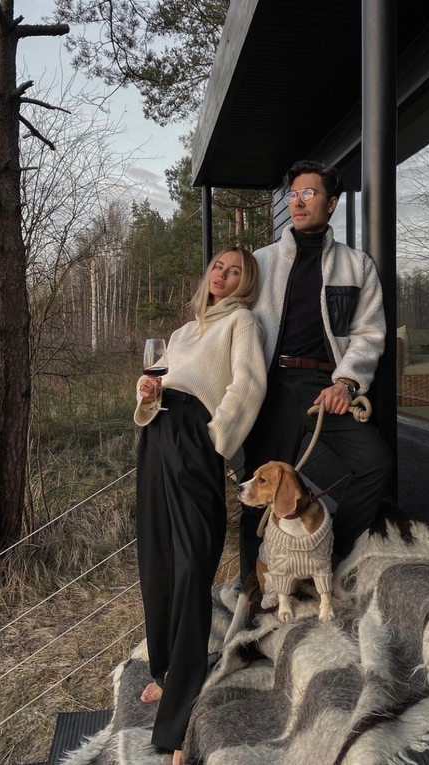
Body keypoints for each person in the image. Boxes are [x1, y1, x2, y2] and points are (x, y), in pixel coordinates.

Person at [134, 246, 266, 765]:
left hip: (194, 437)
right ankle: (167, 672)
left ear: (245, 283)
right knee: (158, 559)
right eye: (218, 267)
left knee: (191, 566)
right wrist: (146, 393)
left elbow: (248, 385)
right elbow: (158, 386)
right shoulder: (183, 332)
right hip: (157, 436)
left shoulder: (242, 323)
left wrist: (214, 440)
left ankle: (178, 722)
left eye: (235, 271)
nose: (223, 275)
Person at [239, 160, 394, 583]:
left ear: (332, 203)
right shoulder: (262, 262)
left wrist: (346, 382)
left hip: (325, 388)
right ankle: (254, 586)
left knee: (375, 464)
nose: (298, 201)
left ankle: (328, 553)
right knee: (256, 491)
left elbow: (370, 333)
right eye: (293, 194)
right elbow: (227, 320)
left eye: (309, 193)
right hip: (271, 388)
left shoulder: (356, 265)